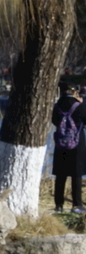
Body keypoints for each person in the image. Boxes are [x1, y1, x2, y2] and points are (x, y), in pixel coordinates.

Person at [52, 83, 86, 212]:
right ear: (75, 92)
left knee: (61, 174)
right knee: (76, 174)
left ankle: (59, 205)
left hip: (61, 142)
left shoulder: (57, 106)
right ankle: (77, 205)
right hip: (77, 142)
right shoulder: (80, 105)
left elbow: (54, 121)